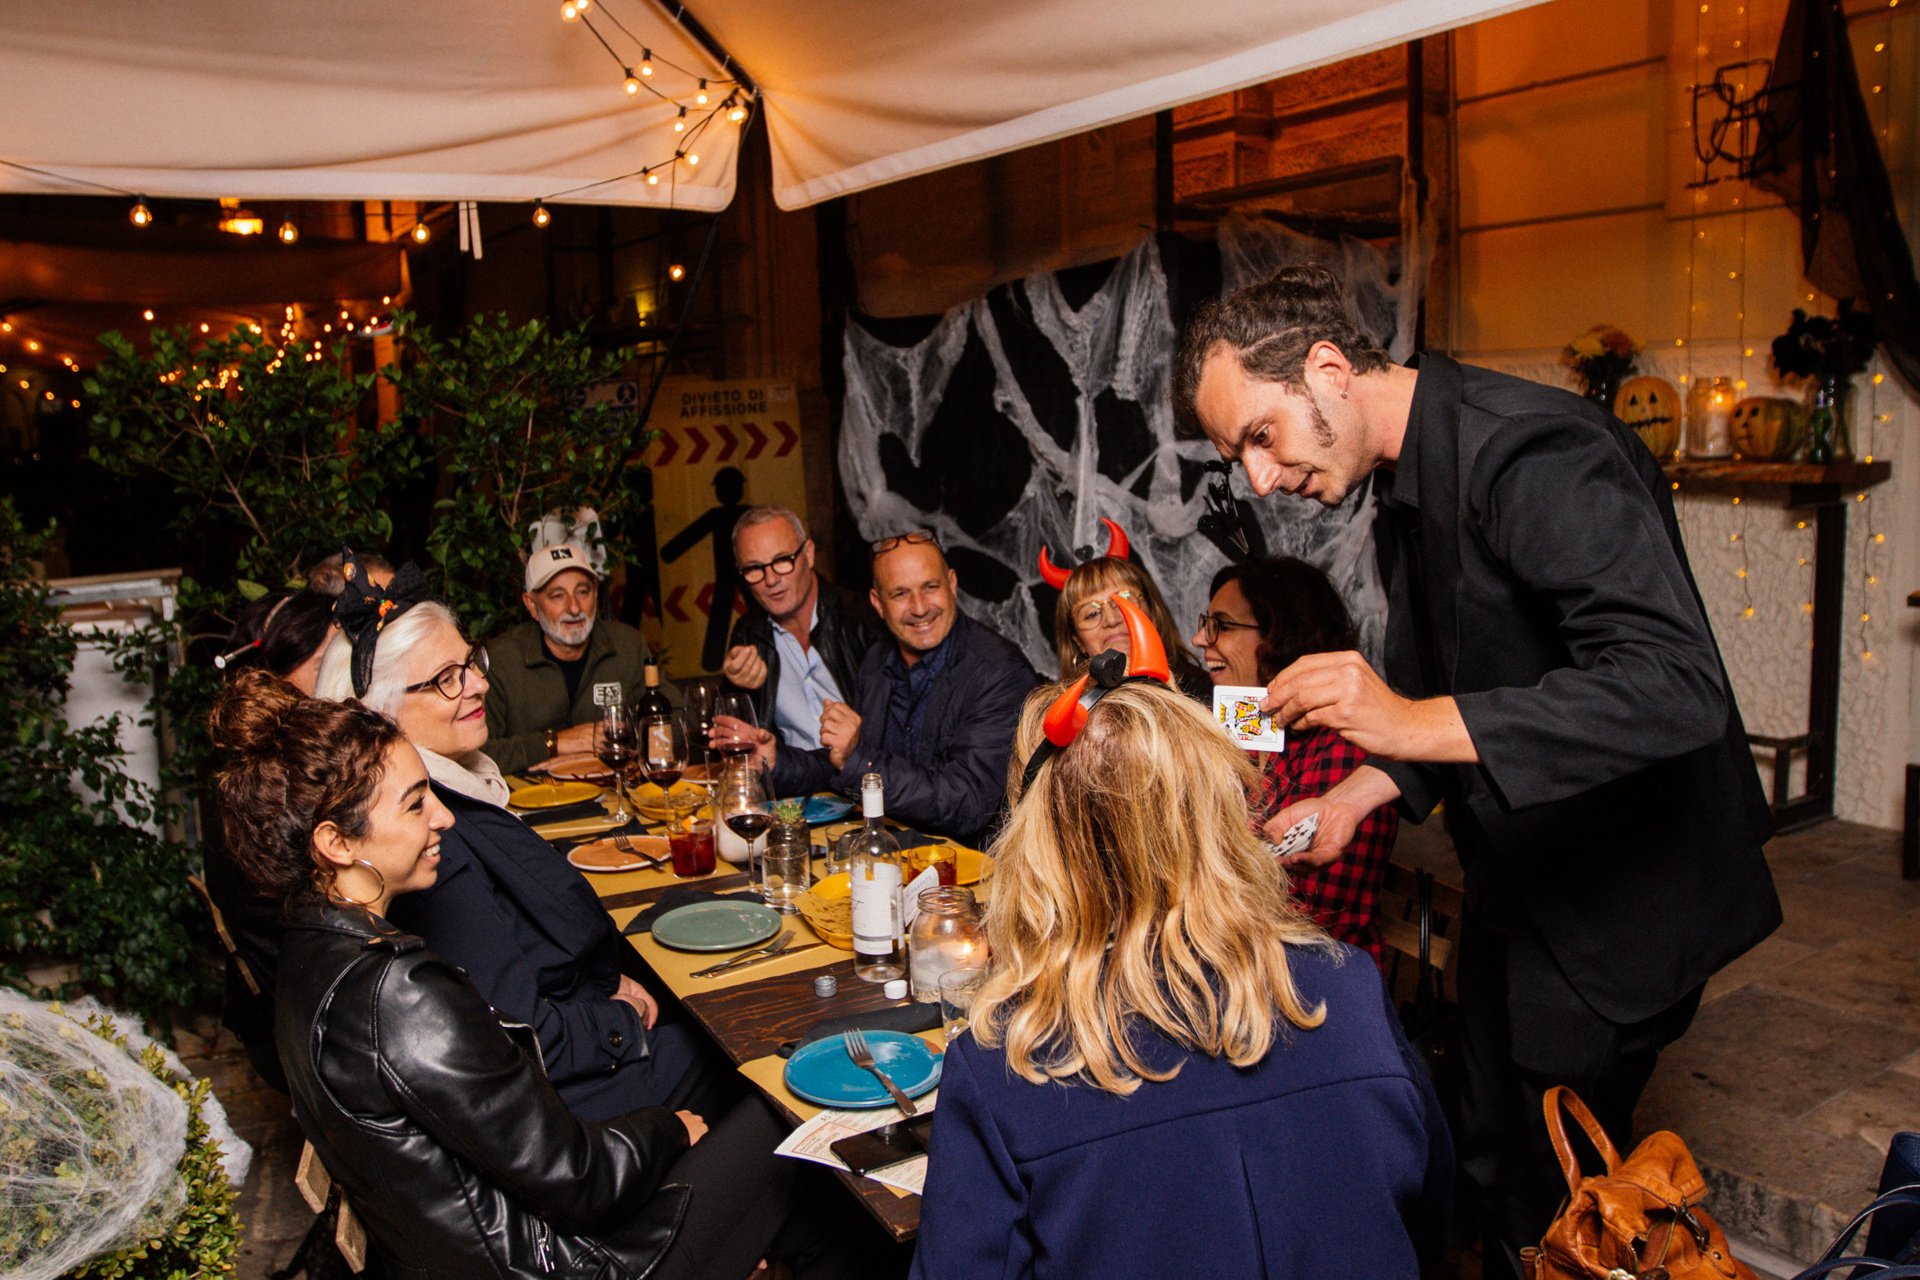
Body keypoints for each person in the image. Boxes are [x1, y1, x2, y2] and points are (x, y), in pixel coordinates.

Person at [1174, 263, 1780, 1278]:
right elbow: (1451, 675)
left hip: (1618, 906)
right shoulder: (1410, 478)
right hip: (1522, 877)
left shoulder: (1534, 451)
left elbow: (1675, 687)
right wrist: (1357, 791)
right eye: (1242, 455)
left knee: (1558, 1212)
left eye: (1261, 436)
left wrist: (1402, 720)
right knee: (1486, 1158)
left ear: (1328, 370)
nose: (1261, 479)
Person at [208, 671, 874, 1280]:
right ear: (336, 842)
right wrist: (670, 1130)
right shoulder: (400, 994)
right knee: (792, 1111)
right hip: (576, 1264)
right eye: (415, 805)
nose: (443, 817)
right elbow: (581, 1179)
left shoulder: (311, 953)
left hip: (494, 1247)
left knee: (794, 1188)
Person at [910, 596, 1451, 1279]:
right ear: (1220, 812)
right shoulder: (1349, 990)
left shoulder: (1005, 1065)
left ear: (1037, 845)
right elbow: (1427, 1217)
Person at [313, 558, 720, 1122]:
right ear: (380, 715)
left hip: (582, 1032)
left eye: (470, 663)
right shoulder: (431, 838)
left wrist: (605, 984)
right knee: (739, 1046)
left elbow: (526, 957)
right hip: (573, 1104)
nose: (479, 683)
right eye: (447, 679)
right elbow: (517, 1033)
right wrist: (615, 1018)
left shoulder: (459, 786)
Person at [713, 532, 1039, 847]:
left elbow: (966, 804)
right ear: (878, 603)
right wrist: (775, 762)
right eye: (899, 594)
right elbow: (848, 761)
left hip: (974, 867)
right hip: (895, 851)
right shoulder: (878, 661)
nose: (919, 607)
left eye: (930, 587)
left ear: (951, 584)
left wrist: (856, 758)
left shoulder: (999, 671)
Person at [1193, 556, 1398, 962]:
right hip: (1228, 959)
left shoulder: (1347, 747)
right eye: (1207, 623)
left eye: (1222, 625)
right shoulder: (1227, 729)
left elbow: (1309, 918)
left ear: (1280, 636)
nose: (1200, 639)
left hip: (1315, 974)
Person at [483, 541, 675, 776]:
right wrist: (555, 743)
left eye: (582, 592)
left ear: (595, 592)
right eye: (557, 596)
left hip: (613, 788)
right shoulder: (500, 659)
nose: (574, 608)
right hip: (534, 794)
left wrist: (608, 752)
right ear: (531, 605)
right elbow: (477, 755)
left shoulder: (628, 645)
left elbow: (677, 720)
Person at [721, 505, 884, 750]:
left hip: (863, 770)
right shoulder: (749, 633)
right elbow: (735, 739)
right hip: (787, 773)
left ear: (809, 553)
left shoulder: (864, 621)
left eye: (781, 560)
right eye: (754, 568)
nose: (771, 580)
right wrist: (736, 688)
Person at [1041, 519, 1209, 702]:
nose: (1112, 620)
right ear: (1079, 642)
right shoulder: (1069, 711)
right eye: (1092, 614)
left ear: (1153, 614)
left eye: (1124, 601)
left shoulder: (1203, 694)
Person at [660, 466, 750, 671]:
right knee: (731, 614)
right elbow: (686, 538)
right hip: (738, 575)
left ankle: (712, 662)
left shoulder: (734, 515)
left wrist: (668, 552)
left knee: (727, 615)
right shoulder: (743, 514)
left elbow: (686, 538)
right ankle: (711, 662)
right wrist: (667, 552)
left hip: (738, 574)